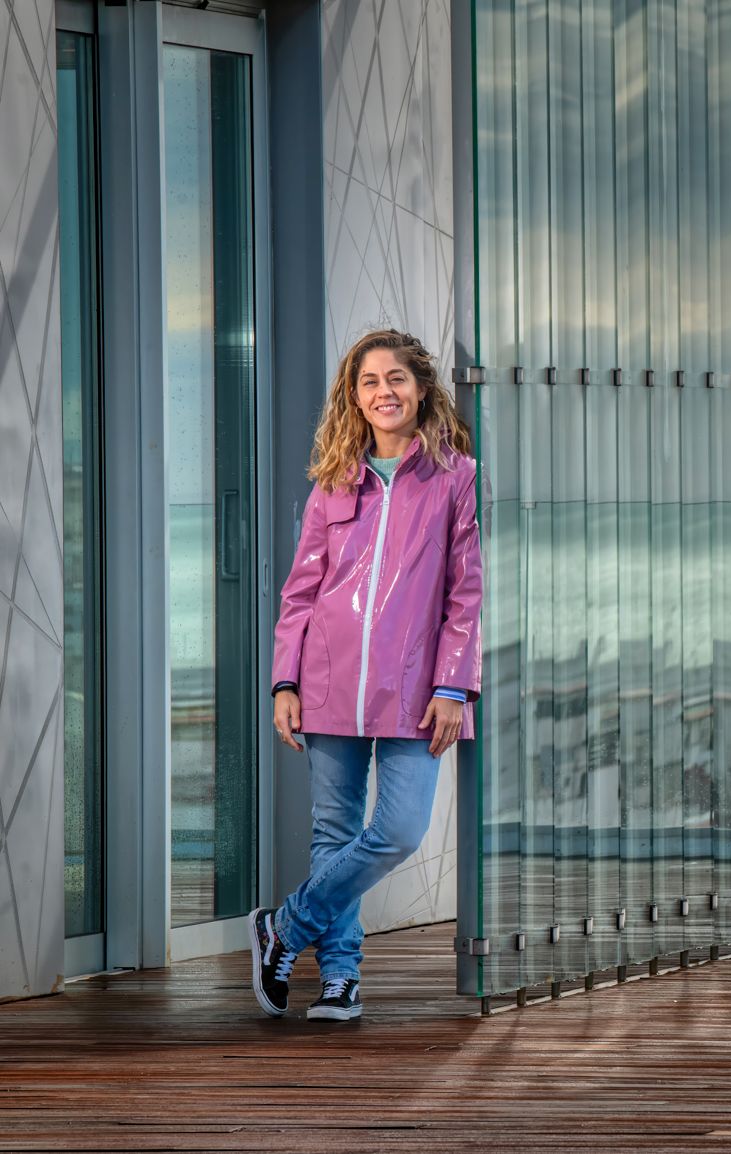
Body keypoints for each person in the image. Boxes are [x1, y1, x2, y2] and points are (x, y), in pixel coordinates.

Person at [249, 329, 482, 1021]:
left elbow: (465, 591)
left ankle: (284, 927)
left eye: (397, 379)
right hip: (326, 680)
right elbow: (299, 593)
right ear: (354, 396)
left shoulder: (454, 475)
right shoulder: (334, 479)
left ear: (421, 389)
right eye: (370, 381)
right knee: (334, 832)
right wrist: (283, 681)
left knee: (399, 829)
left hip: (416, 691)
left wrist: (452, 687)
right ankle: (340, 980)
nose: (384, 392)